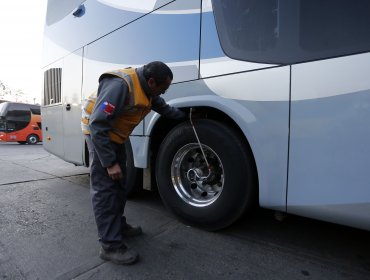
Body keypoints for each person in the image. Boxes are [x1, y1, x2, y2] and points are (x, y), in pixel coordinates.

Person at [81, 61, 187, 265]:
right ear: (151, 81)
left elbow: (164, 109)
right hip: (99, 135)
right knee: (106, 191)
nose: (162, 93)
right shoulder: (120, 86)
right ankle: (110, 246)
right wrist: (110, 162)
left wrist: (187, 116)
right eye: (162, 88)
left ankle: (118, 227)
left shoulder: (147, 90)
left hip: (116, 135)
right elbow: (97, 124)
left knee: (120, 185)